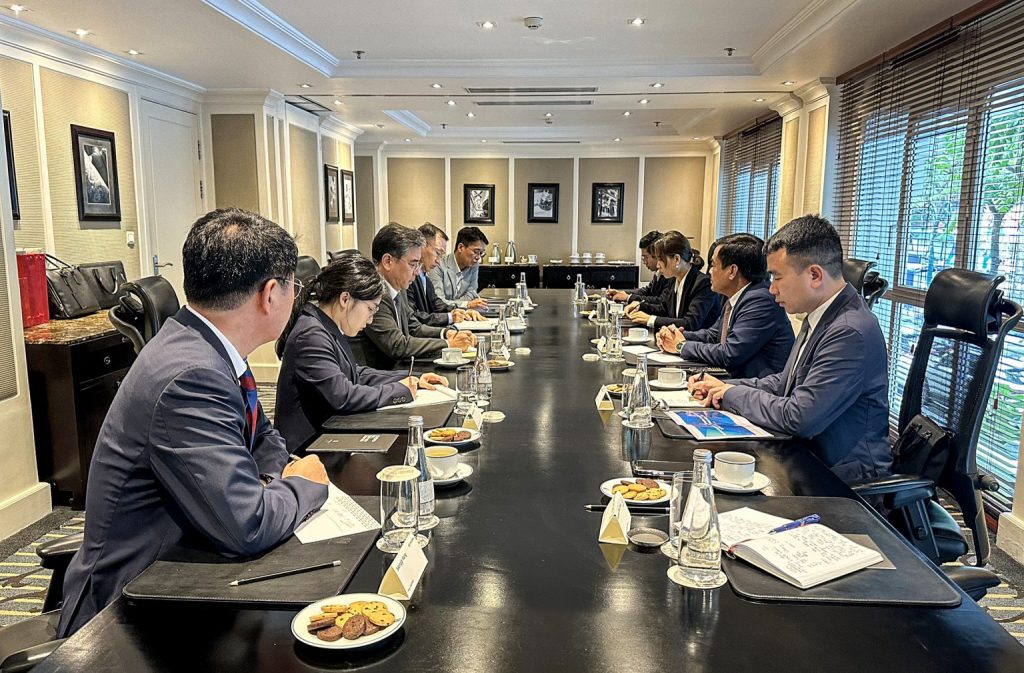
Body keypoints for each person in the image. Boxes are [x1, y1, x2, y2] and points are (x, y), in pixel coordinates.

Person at [57, 208, 330, 637]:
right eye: (294, 287)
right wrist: (304, 484)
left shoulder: (209, 346)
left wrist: (269, 478)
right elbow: (248, 524)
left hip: (185, 563)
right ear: (270, 294)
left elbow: (263, 436)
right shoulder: (192, 376)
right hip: (129, 613)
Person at [691, 215, 891, 484]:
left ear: (815, 275)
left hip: (839, 479)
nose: (771, 289)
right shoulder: (821, 314)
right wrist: (723, 387)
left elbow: (800, 417)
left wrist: (732, 394)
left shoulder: (849, 331)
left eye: (777, 277)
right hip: (803, 456)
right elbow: (784, 383)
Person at [274, 252, 449, 451]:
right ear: (345, 299)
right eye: (370, 309)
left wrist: (411, 378)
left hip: (329, 435)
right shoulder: (311, 334)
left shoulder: (324, 324)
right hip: (308, 449)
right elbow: (343, 396)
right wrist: (400, 391)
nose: (371, 320)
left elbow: (355, 373)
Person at [656, 233, 794, 378]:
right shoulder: (737, 297)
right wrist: (675, 335)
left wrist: (680, 346)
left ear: (732, 271)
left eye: (713, 265)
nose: (709, 271)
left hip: (755, 387)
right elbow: (713, 335)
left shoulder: (760, 300)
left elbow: (730, 354)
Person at [351, 223, 476, 370]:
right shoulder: (375, 294)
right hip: (383, 375)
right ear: (388, 261)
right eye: (413, 265)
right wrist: (449, 344)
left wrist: (447, 334)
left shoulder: (399, 287)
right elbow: (397, 345)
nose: (417, 272)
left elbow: (414, 327)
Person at [625, 230, 720, 330]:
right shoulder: (674, 279)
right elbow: (664, 308)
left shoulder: (703, 284)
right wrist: (640, 306)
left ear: (677, 259)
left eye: (660, 259)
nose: (658, 265)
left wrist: (651, 319)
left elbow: (690, 323)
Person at [408, 223, 486, 326]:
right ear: (421, 247)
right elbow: (413, 318)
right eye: (438, 253)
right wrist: (449, 320)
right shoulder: (409, 277)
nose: (439, 260)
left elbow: (438, 304)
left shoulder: (425, 278)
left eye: (441, 255)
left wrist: (462, 312)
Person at [428, 226, 489, 309]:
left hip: (461, 313)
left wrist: (458, 305)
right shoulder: (437, 265)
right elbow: (439, 303)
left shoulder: (474, 265)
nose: (478, 257)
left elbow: (472, 293)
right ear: (460, 247)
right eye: (476, 251)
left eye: (481, 253)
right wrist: (466, 304)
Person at [606, 230, 672, 303]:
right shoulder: (658, 272)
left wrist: (628, 297)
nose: (644, 262)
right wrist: (621, 293)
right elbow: (647, 291)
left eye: (646, 257)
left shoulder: (669, 275)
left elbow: (661, 301)